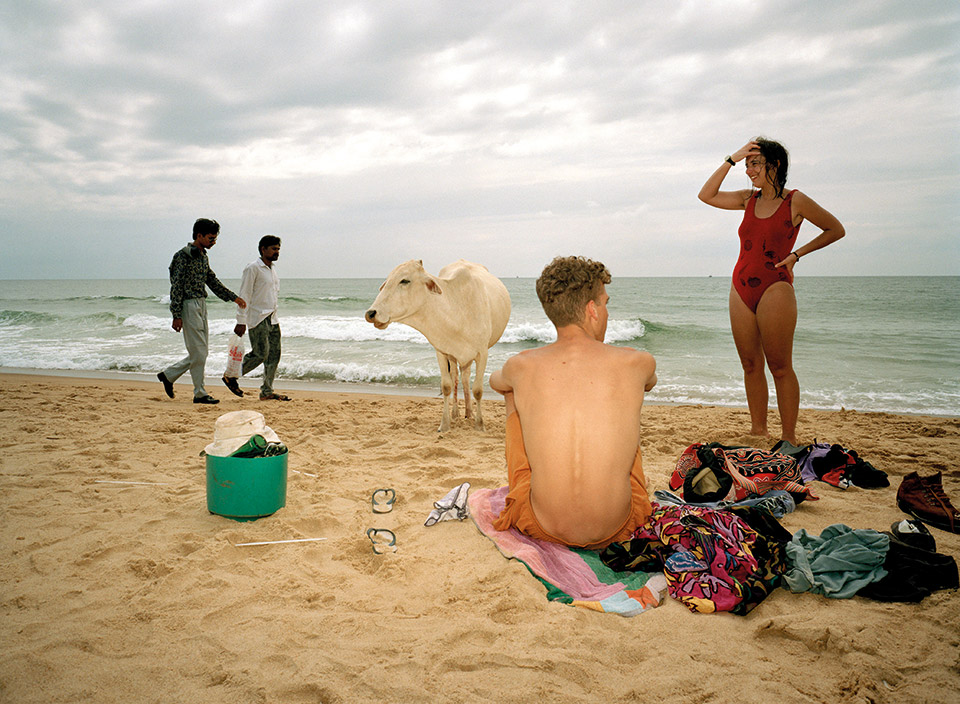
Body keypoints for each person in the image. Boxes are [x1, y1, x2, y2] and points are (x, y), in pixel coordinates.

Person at [489, 256, 657, 549]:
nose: (606, 312)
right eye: (605, 303)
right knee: (624, 406)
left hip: (540, 524)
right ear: (592, 309)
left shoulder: (521, 365)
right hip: (620, 525)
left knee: (513, 393)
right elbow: (650, 383)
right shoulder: (637, 362)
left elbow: (495, 382)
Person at [698, 138, 845, 444]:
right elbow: (706, 195)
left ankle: (789, 436)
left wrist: (796, 255)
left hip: (775, 287)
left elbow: (835, 229)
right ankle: (758, 430)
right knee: (750, 364)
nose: (749, 170)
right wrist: (732, 158)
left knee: (779, 366)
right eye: (747, 164)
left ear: (774, 165)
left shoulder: (796, 201)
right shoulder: (746, 199)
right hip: (740, 286)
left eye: (755, 163)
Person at [157, 218, 246, 404]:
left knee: (201, 352)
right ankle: (199, 393)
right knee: (199, 353)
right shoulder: (182, 256)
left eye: (215, 239)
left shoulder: (203, 256)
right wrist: (176, 315)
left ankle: (169, 376)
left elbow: (212, 280)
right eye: (211, 238)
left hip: (201, 304)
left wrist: (233, 297)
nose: (214, 242)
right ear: (199, 236)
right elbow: (176, 286)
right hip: (188, 305)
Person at [222, 235, 290, 401]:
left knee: (274, 355)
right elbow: (244, 294)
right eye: (274, 249)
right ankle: (231, 376)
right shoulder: (253, 268)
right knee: (260, 353)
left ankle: (267, 391)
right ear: (263, 249)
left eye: (278, 249)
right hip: (258, 317)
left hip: (273, 318)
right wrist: (241, 320)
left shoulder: (272, 270)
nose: (277, 252)